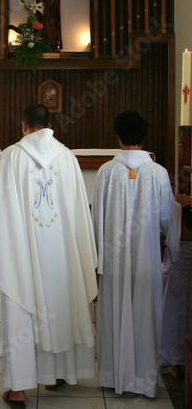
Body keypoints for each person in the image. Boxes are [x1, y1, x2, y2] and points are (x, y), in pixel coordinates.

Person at [0, 104, 98, 407]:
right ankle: (53, 375)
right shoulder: (67, 157)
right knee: (58, 305)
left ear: (24, 125)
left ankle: (19, 389)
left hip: (21, 254)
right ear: (51, 126)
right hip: (60, 254)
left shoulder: (10, 157)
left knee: (22, 311)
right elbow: (79, 213)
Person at [92, 110, 189, 398]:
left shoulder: (106, 172)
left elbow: (97, 218)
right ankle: (144, 382)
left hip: (113, 260)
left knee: (114, 312)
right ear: (142, 136)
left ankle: (113, 376)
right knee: (145, 315)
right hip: (147, 259)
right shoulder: (158, 173)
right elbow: (166, 219)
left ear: (118, 135)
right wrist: (174, 232)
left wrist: (97, 260)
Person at [160, 204, 192, 377]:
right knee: (181, 323)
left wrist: (177, 206)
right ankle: (177, 362)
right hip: (180, 281)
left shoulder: (177, 234)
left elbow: (166, 238)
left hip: (174, 282)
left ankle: (174, 362)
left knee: (174, 322)